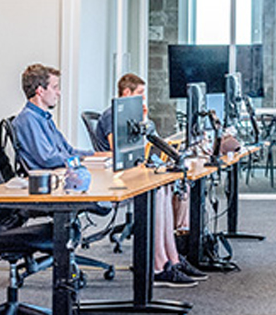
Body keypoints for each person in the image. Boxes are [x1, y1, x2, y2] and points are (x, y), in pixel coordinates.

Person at [98, 73, 205, 288]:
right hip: (117, 177)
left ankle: (172, 257)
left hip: (135, 170)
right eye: (140, 94)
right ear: (126, 93)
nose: (143, 100)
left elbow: (149, 146)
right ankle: (157, 264)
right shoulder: (114, 115)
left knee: (170, 185)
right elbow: (118, 147)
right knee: (158, 190)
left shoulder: (137, 115)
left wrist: (145, 122)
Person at [12, 64, 94, 170]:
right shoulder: (27, 119)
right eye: (55, 87)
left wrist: (95, 155)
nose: (59, 93)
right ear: (40, 91)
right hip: (48, 179)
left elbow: (68, 150)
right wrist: (78, 160)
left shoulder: (46, 118)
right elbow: (48, 159)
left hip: (61, 172)